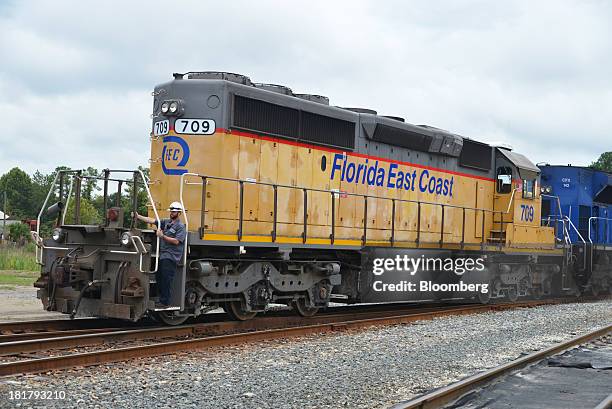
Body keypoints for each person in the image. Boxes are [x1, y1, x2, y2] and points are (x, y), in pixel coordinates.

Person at [134, 202, 186, 309]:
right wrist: (138, 216)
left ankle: (165, 302)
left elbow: (177, 241)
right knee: (159, 278)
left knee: (166, 279)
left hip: (171, 256)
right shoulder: (166, 223)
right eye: (171, 211)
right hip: (163, 255)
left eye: (174, 211)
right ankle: (160, 299)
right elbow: (152, 220)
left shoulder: (181, 227)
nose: (172, 213)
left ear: (179, 213)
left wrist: (162, 236)